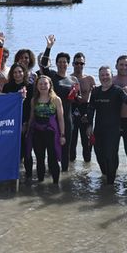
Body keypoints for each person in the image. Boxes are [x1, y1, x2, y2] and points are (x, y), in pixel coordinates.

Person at [87, 66, 127, 185]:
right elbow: (91, 109)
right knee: (99, 155)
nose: (104, 77)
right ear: (99, 77)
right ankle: (105, 175)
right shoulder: (96, 91)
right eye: (102, 75)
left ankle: (110, 184)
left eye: (107, 75)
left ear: (111, 76)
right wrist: (89, 125)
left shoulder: (117, 91)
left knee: (110, 155)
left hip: (113, 130)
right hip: (98, 129)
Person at [39, 35, 77, 172]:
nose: (62, 64)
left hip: (67, 117)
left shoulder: (73, 80)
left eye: (65, 62)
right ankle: (52, 173)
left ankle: (65, 174)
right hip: (51, 118)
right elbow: (43, 65)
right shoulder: (52, 77)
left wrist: (76, 96)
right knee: (51, 147)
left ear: (68, 64)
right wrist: (49, 47)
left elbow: (76, 100)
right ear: (56, 63)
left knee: (66, 147)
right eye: (60, 62)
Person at [25, 75, 65, 183]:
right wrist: (28, 132)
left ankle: (56, 184)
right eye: (40, 84)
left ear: (50, 85)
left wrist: (62, 135)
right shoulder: (34, 100)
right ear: (37, 86)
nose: (43, 86)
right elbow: (31, 117)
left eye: (45, 83)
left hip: (51, 132)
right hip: (37, 132)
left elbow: (61, 119)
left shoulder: (56, 99)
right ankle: (40, 183)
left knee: (52, 159)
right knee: (39, 159)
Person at [2, 63, 34, 178]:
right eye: (15, 72)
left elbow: (32, 107)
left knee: (27, 151)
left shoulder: (30, 86)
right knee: (14, 152)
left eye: (20, 72)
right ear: (12, 74)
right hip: (12, 123)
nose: (17, 74)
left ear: (24, 73)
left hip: (26, 122)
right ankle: (12, 175)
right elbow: (4, 106)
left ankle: (29, 176)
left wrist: (26, 123)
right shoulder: (7, 87)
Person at [70, 52, 96, 163]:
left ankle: (87, 171)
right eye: (77, 63)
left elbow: (95, 99)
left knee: (87, 143)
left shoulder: (89, 79)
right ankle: (70, 170)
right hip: (72, 110)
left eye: (81, 63)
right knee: (72, 142)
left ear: (84, 64)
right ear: (73, 64)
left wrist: (90, 115)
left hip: (86, 110)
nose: (79, 65)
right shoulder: (69, 79)